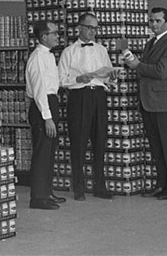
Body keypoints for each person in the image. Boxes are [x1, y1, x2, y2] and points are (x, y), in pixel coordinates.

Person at [58, 12, 120, 201]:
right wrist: (78, 78)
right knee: (78, 142)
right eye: (90, 27)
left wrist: (112, 77)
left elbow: (108, 74)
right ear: (80, 28)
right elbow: (60, 80)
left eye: (95, 28)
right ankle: (78, 187)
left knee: (100, 141)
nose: (93, 31)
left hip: (99, 96)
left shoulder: (101, 50)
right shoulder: (69, 51)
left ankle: (100, 186)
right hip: (79, 96)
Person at [124, 7, 167, 200]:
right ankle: (161, 184)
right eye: (151, 21)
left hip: (165, 103)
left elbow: (161, 71)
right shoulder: (150, 44)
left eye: (158, 21)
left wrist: (137, 65)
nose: (154, 24)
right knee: (156, 147)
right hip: (149, 102)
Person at [25, 20, 65, 210]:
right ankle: (38, 197)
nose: (58, 36)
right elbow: (40, 88)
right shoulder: (38, 57)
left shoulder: (48, 56)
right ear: (44, 37)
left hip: (50, 102)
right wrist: (47, 117)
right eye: (54, 33)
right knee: (42, 152)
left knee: (49, 151)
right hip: (43, 105)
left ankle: (47, 192)